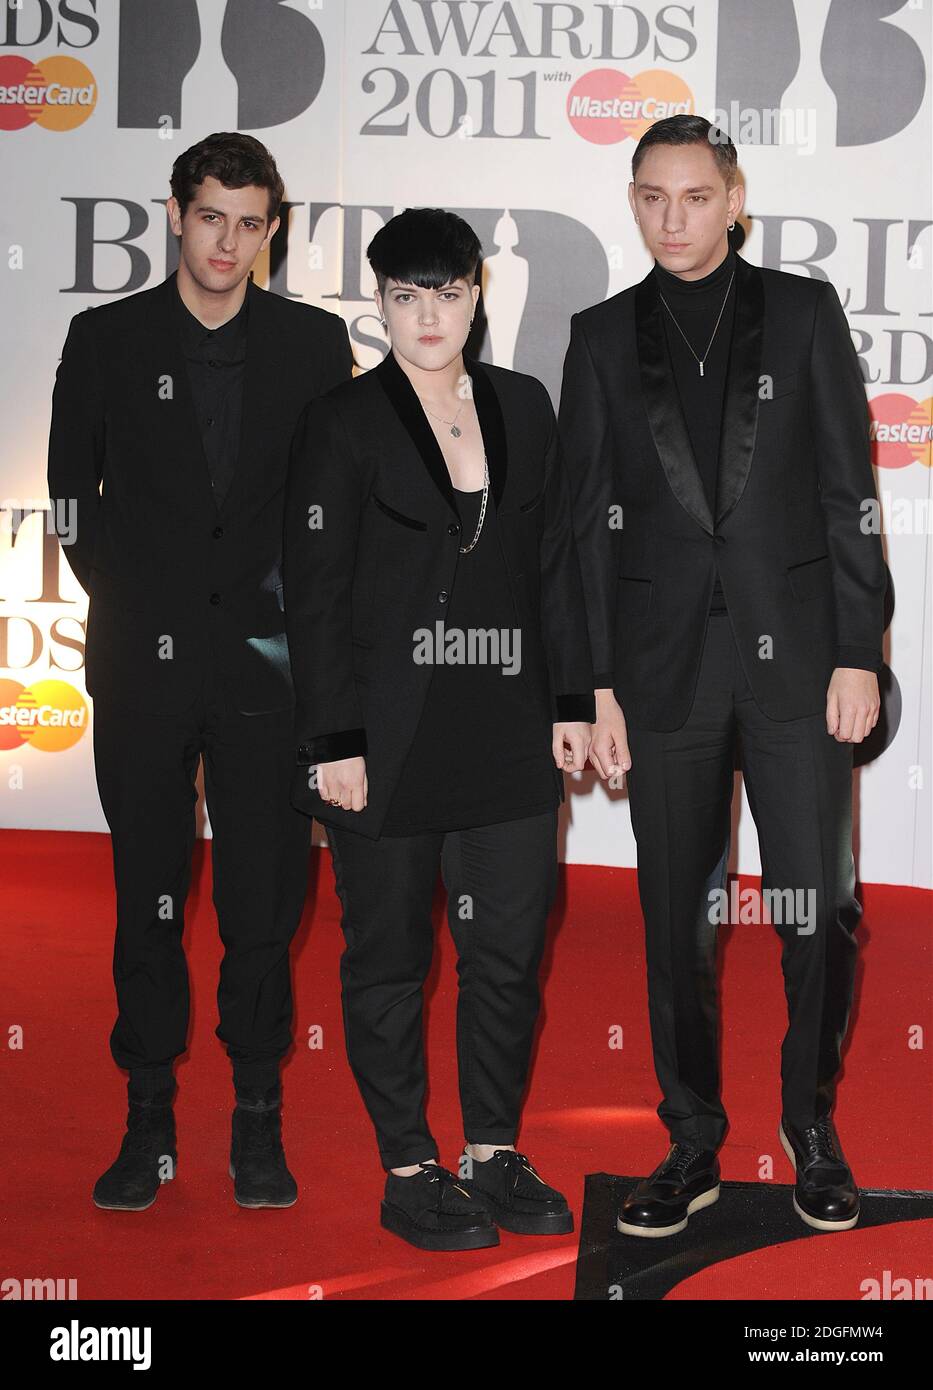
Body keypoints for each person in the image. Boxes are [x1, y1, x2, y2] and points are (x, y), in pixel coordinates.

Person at [558, 115, 885, 1237]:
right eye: (652, 196)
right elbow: (580, 533)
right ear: (634, 198)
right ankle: (689, 1137)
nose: (673, 219)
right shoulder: (600, 337)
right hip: (662, 678)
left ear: (733, 197)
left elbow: (850, 492)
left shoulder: (801, 315)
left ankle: (812, 1123)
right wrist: (589, 684)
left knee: (821, 910)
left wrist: (860, 648)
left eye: (695, 197)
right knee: (674, 917)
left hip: (798, 662)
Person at [47, 132, 353, 1212]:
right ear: (175, 214)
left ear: (273, 231)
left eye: (251, 222)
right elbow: (72, 501)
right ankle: (149, 1114)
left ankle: (257, 1114)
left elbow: (331, 509)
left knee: (265, 902)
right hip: (145, 663)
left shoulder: (316, 347)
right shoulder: (104, 338)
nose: (229, 242)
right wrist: (142, 608)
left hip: (271, 672)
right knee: (150, 895)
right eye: (211, 216)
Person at [284, 207, 595, 1251]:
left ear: (476, 293)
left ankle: (492, 1151)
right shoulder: (342, 420)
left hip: (505, 731)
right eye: (407, 296)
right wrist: (332, 743)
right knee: (386, 958)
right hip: (385, 738)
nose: (429, 315)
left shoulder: (526, 405)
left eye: (448, 292)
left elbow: (556, 567)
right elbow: (314, 596)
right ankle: (410, 1167)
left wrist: (570, 700)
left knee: (505, 954)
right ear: (380, 303)